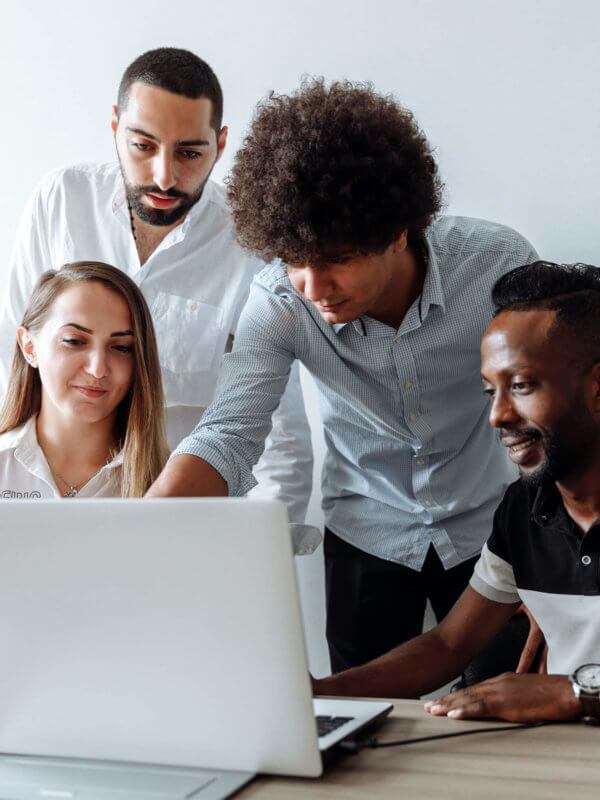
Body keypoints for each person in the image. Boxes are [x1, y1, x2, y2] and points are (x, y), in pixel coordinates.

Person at [147, 78, 541, 673]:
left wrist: (561, 562)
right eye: (294, 260)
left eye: (336, 259)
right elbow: (228, 434)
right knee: (364, 730)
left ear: (396, 230)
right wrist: (138, 537)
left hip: (494, 529)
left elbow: (558, 410)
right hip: (366, 537)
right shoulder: (280, 302)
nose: (313, 287)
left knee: (500, 732)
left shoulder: (497, 265)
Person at [0, 47, 313, 532]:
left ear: (221, 143)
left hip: (183, 523)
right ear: (114, 126)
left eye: (189, 153)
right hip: (43, 503)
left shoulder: (249, 241)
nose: (165, 177)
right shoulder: (61, 200)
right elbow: (11, 355)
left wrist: (263, 549)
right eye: (143, 146)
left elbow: (276, 423)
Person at [311, 261, 600, 724]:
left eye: (522, 386)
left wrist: (576, 692)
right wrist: (317, 693)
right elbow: (449, 644)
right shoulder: (522, 510)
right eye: (491, 392)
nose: (498, 416)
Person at [0, 261, 168, 498]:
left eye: (120, 347)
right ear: (29, 347)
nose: (97, 369)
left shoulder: (168, 484)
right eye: (74, 341)